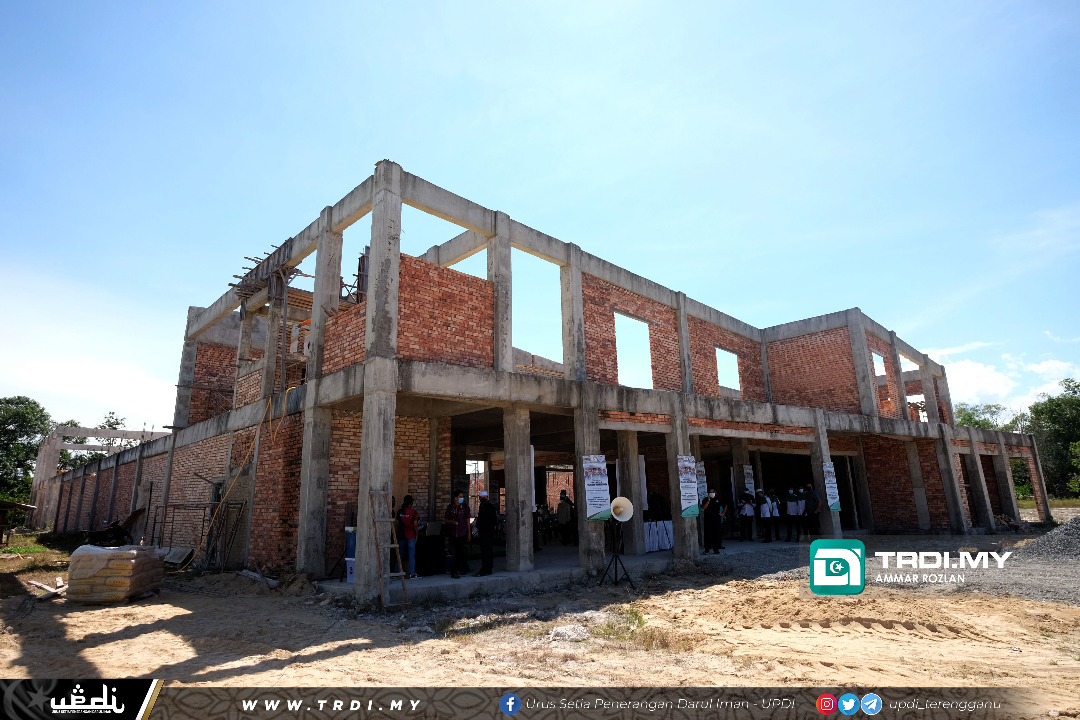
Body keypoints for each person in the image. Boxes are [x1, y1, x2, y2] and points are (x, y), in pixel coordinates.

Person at [444, 489, 471, 578]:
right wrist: (452, 522)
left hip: (462, 532)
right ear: (455, 498)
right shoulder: (450, 507)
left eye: (462, 497)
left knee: (460, 551)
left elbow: (468, 521)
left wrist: (469, 533)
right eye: (460, 497)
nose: (462, 498)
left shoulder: (465, 507)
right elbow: (445, 519)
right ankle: (463, 567)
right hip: (453, 532)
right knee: (457, 551)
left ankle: (455, 570)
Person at [474, 490, 497, 576]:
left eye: (483, 498)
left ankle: (485, 569)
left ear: (486, 497)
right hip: (484, 531)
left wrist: (485, 525)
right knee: (486, 550)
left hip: (487, 532)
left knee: (486, 551)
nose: (481, 499)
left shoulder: (489, 507)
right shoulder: (482, 506)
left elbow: (493, 520)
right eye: (481, 498)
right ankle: (488, 568)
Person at [397, 494, 419, 578]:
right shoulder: (413, 512)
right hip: (411, 536)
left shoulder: (400, 511)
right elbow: (415, 525)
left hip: (402, 536)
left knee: (400, 555)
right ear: (411, 502)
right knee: (411, 555)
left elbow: (397, 524)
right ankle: (412, 573)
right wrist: (416, 534)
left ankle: (396, 572)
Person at [700, 488, 726, 553]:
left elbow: (725, 506)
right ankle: (707, 549)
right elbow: (704, 507)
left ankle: (716, 549)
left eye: (713, 492)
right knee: (708, 534)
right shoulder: (705, 499)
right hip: (708, 519)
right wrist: (708, 500)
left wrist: (723, 513)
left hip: (717, 519)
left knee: (717, 534)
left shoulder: (718, 499)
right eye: (710, 492)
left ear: (715, 492)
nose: (712, 493)